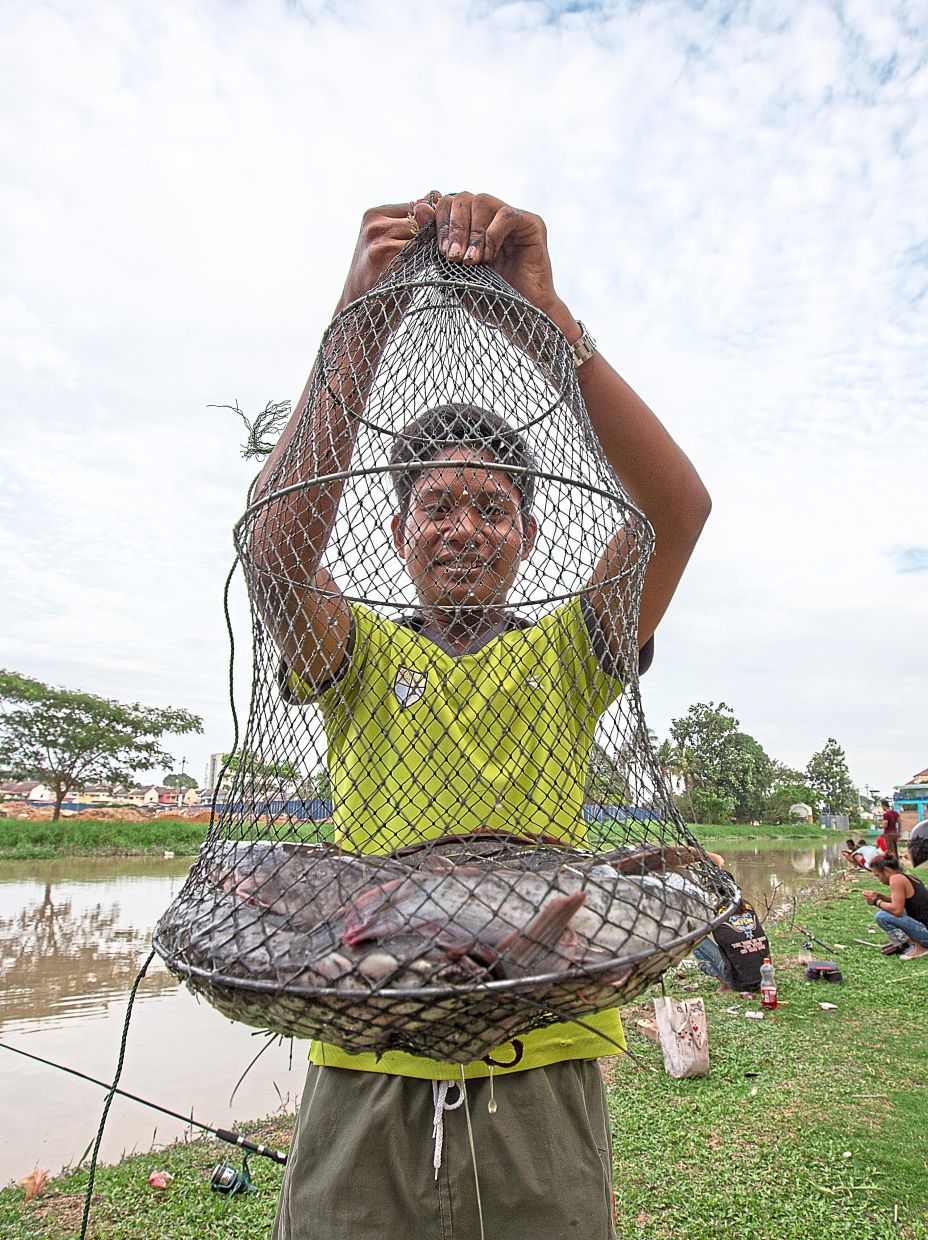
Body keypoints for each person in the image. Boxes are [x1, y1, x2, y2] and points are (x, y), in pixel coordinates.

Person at [254, 191, 712, 1239]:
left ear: (530, 530)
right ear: (397, 524)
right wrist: (356, 318)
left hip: (540, 1069)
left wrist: (543, 318)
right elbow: (274, 558)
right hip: (365, 1065)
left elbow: (677, 509)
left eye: (491, 506)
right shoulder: (356, 650)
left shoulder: (570, 652)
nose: (463, 527)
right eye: (437, 505)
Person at [693, 891, 770, 992]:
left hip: (739, 983)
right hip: (765, 978)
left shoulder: (711, 910)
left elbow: (697, 929)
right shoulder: (746, 904)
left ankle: (726, 983)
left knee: (691, 936)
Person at [864, 854, 928, 959]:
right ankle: (912, 943)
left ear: (886, 870)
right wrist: (883, 898)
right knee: (887, 912)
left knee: (882, 916)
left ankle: (917, 946)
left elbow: (897, 910)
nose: (879, 879)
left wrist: (876, 901)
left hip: (925, 934)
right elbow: (906, 901)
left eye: (878, 875)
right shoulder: (909, 876)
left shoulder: (896, 878)